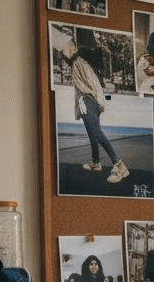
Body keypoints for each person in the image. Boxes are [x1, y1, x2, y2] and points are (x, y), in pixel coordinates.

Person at [51, 26, 129, 184]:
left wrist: (93, 101)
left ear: (74, 47)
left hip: (89, 100)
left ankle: (120, 165)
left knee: (97, 134)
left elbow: (91, 84)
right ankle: (96, 163)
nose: (64, 50)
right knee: (93, 134)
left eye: (67, 47)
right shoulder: (80, 63)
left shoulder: (79, 61)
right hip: (92, 101)